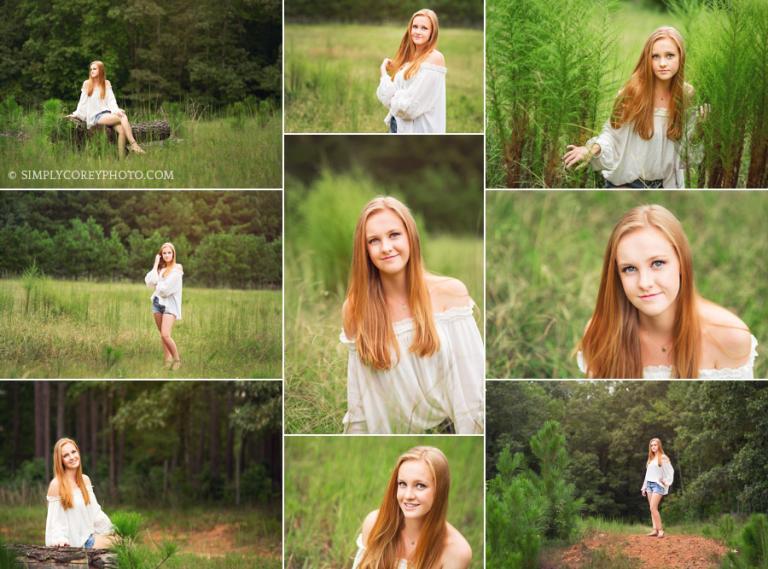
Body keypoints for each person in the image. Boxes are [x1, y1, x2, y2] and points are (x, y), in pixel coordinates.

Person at [341, 197, 484, 434]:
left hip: (450, 429)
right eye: (374, 240)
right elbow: (362, 399)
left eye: (394, 235)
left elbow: (472, 389)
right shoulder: (355, 309)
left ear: (411, 237)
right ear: (364, 250)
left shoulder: (450, 293)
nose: (386, 247)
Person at [578, 204, 757, 379]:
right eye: (630, 268)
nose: (644, 283)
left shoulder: (730, 337)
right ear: (617, 275)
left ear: (681, 262)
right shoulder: (601, 334)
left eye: (657, 264)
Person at [563, 27, 698, 188]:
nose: (662, 63)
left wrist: (700, 125)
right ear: (647, 59)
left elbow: (686, 148)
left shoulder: (686, 94)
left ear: (680, 57)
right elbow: (612, 134)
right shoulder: (632, 93)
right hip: (627, 185)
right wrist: (592, 149)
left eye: (670, 56)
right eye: (655, 56)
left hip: (667, 186)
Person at [352, 446, 472, 569]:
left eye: (420, 485)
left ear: (440, 490)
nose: (408, 496)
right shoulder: (375, 524)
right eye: (402, 484)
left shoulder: (456, 552)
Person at [376, 9, 447, 134]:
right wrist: (384, 72)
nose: (418, 32)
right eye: (415, 27)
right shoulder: (410, 57)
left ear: (432, 32)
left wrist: (394, 97)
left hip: (418, 130)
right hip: (397, 125)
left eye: (424, 28)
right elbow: (393, 99)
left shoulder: (435, 58)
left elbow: (409, 108)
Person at [45, 438, 115, 548]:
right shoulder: (56, 485)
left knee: (125, 542)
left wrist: (112, 529)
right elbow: (55, 523)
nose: (72, 457)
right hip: (76, 544)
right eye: (66, 455)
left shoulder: (85, 480)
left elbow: (95, 513)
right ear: (60, 460)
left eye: (73, 452)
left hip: (91, 537)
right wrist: (60, 540)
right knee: (121, 545)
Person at [67, 60, 146, 157]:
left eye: (95, 69)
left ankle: (121, 160)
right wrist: (76, 114)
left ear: (100, 70)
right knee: (122, 117)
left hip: (107, 114)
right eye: (91, 69)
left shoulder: (106, 83)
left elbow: (111, 101)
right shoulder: (87, 84)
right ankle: (134, 145)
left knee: (121, 131)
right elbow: (82, 103)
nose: (92, 71)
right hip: (95, 116)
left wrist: (116, 110)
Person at [145, 242, 183, 370]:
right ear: (161, 255)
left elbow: (166, 290)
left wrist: (158, 285)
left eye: (169, 253)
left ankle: (177, 360)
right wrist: (156, 264)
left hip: (170, 306)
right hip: (157, 304)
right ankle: (167, 360)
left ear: (173, 254)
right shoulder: (160, 269)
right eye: (164, 253)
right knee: (162, 334)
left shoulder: (177, 269)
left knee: (165, 335)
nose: (167, 255)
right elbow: (150, 282)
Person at [641, 438, 674, 538]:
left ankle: (660, 530)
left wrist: (666, 481)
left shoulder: (663, 457)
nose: (653, 447)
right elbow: (648, 475)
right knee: (652, 509)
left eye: (655, 445)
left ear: (659, 446)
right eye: (651, 445)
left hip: (658, 485)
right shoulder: (650, 459)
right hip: (649, 486)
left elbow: (670, 471)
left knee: (653, 508)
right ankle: (654, 530)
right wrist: (644, 487)